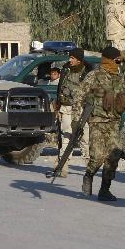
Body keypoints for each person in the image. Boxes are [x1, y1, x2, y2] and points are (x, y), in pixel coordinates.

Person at [73, 46, 125, 201]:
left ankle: (104, 190)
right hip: (97, 121)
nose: (118, 63)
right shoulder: (94, 75)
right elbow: (78, 97)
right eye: (116, 60)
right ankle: (89, 175)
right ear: (109, 60)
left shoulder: (120, 77)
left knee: (114, 155)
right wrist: (76, 121)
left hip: (114, 122)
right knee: (97, 156)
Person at [53, 48, 92, 177]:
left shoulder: (88, 71)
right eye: (70, 57)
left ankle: (90, 168)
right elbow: (60, 88)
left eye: (73, 58)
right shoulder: (66, 69)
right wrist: (57, 104)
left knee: (85, 138)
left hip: (82, 110)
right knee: (67, 137)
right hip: (67, 108)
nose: (70, 60)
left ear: (79, 60)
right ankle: (62, 165)